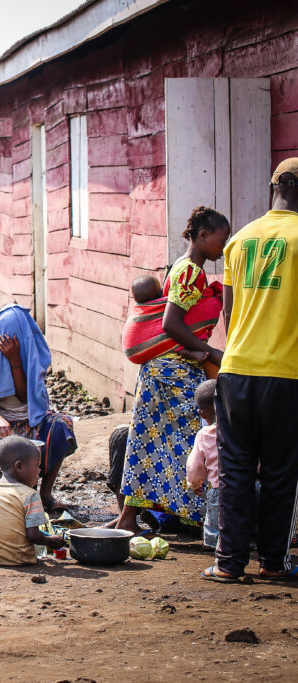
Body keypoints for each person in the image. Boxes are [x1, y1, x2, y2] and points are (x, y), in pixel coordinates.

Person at [207, 159, 298, 583]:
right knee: (280, 472)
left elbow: (228, 312)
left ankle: (229, 565)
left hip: (237, 369)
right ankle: (273, 562)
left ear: (272, 188)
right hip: (287, 375)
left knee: (236, 470)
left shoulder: (239, 240)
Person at [115, 206, 231, 534]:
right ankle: (208, 517)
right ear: (203, 236)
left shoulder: (181, 267)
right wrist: (211, 352)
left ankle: (128, 518)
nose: (224, 247)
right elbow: (171, 323)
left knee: (146, 442)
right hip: (174, 372)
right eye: (221, 240)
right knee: (201, 437)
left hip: (162, 371)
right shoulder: (191, 271)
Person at [0, 304, 77, 511]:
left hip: (32, 421)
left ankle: (45, 493)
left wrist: (15, 360)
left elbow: (25, 396)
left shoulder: (30, 353)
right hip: (1, 423)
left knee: (62, 424)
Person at [0, 436, 66, 566]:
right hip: (21, 559)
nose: (39, 471)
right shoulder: (30, 495)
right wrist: (50, 541)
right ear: (19, 466)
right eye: (37, 465)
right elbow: (33, 536)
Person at [186, 379, 219, 551]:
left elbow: (194, 467)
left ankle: (212, 544)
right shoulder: (240, 429)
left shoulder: (204, 434)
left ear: (201, 413)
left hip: (219, 489)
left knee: (214, 521)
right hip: (248, 484)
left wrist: (195, 483)